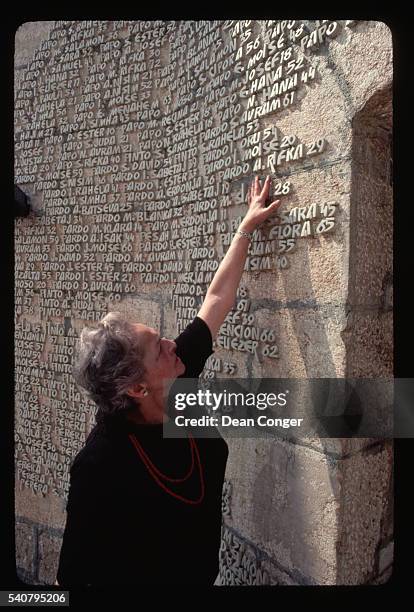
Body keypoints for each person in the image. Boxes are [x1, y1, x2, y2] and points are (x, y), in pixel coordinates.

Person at [56, 176, 281, 586]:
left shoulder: (174, 374)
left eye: (159, 336)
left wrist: (246, 226)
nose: (169, 343)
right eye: (156, 347)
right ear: (137, 388)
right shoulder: (98, 466)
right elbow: (72, 580)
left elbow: (215, 301)